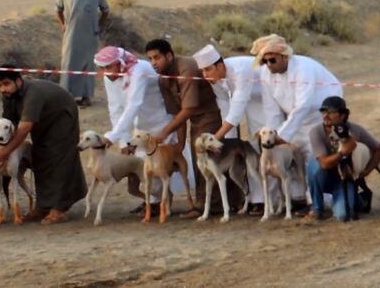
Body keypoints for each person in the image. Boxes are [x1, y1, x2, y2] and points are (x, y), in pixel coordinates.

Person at [94, 46, 195, 216]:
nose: (106, 72)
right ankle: (153, 203)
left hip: (162, 123)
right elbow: (116, 108)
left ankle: (172, 203)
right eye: (102, 68)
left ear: (119, 63)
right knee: (145, 168)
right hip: (140, 127)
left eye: (109, 67)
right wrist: (123, 140)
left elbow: (134, 103)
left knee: (163, 166)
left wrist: (112, 136)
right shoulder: (110, 77)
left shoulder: (139, 70)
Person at [252, 34, 343, 212]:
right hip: (294, 116)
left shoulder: (304, 68)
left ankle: (319, 202)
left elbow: (303, 104)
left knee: (313, 155)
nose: (268, 65)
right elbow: (271, 109)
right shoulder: (266, 73)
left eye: (272, 60)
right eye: (264, 61)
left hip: (318, 114)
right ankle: (298, 198)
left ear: (285, 56)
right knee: (290, 156)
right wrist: (274, 135)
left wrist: (282, 135)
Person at [146, 39, 235, 217]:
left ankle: (212, 206)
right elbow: (177, 112)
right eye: (150, 59)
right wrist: (180, 142)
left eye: (157, 57)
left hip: (211, 113)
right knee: (198, 159)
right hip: (194, 117)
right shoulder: (163, 79)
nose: (153, 63)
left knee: (206, 157)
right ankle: (207, 204)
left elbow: (189, 107)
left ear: (169, 55)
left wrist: (165, 132)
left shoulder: (185, 68)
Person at [0, 70, 87, 224]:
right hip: (43, 122)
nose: (3, 88)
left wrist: (6, 151)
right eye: (0, 85)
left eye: (6, 84)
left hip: (61, 117)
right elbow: (9, 123)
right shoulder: (9, 96)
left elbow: (24, 128)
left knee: (59, 158)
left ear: (18, 81)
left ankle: (59, 208)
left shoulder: (33, 94)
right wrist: (4, 149)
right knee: (40, 157)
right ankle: (44, 206)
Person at [193, 44, 273, 214]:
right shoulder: (215, 79)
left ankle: (279, 199)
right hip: (252, 101)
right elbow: (224, 105)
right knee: (253, 144)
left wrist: (217, 137)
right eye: (203, 72)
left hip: (269, 97)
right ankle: (258, 200)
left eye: (208, 70)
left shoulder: (240, 70)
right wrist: (225, 142)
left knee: (270, 145)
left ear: (219, 66)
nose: (205, 75)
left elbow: (237, 108)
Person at [307, 96, 380, 221]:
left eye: (330, 112)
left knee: (342, 215)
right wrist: (343, 152)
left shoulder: (355, 130)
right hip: (324, 175)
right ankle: (317, 208)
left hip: (344, 179)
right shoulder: (316, 132)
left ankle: (357, 198)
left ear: (342, 115)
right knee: (315, 167)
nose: (325, 116)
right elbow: (324, 164)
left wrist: (366, 171)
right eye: (323, 112)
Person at [55, 0, 109, 107]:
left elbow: (105, 10)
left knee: (88, 65)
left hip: (90, 35)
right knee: (68, 63)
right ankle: (66, 96)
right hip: (71, 35)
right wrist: (63, 24)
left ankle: (86, 97)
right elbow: (58, 9)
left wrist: (98, 26)